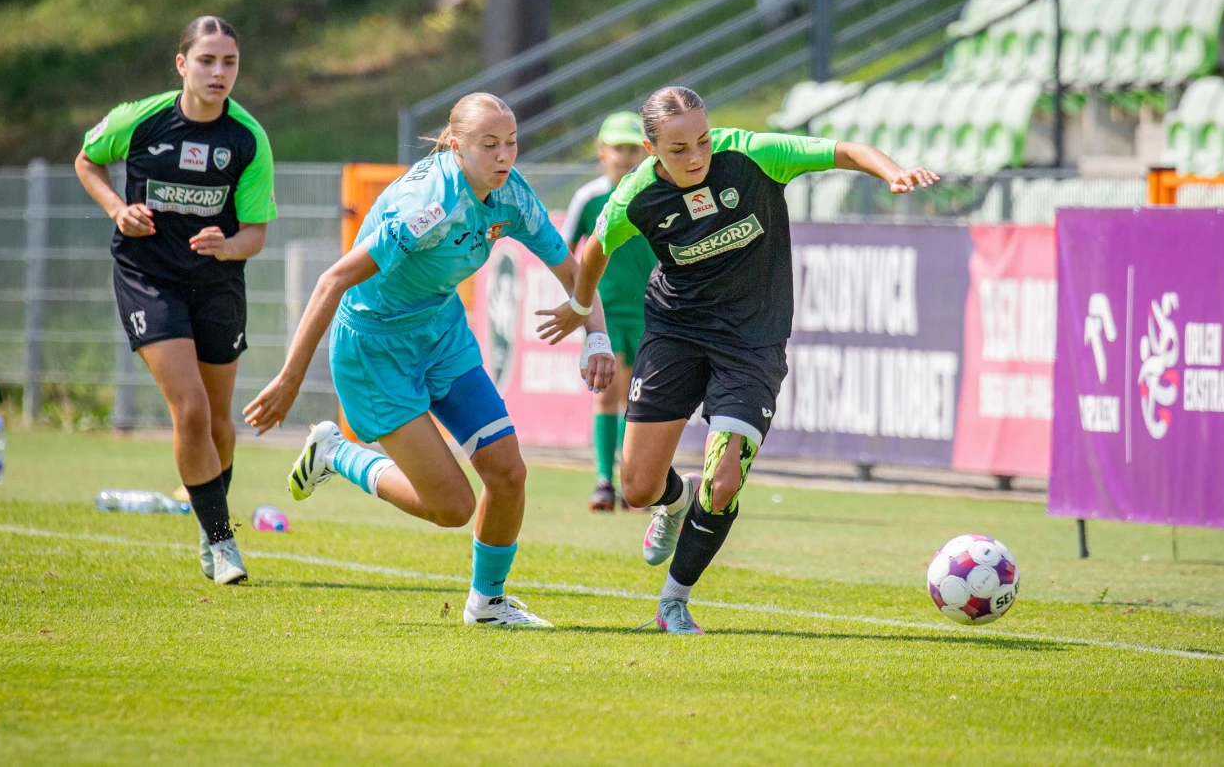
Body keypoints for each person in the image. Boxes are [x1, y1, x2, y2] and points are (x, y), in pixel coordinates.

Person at [536, 86, 938, 634]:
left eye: (702, 140)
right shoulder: (636, 195)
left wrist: (892, 172)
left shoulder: (752, 153)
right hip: (676, 333)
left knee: (723, 483)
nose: (696, 157)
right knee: (637, 489)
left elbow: (842, 150)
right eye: (679, 149)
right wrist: (583, 309)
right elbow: (596, 248)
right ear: (652, 150)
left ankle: (673, 602)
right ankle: (674, 503)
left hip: (752, 342)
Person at [243, 93, 615, 628]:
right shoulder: (428, 206)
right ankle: (336, 453)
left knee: (508, 473)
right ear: (456, 146)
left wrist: (596, 337)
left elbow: (575, 273)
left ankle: (487, 604)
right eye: (489, 144)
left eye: (511, 143)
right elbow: (332, 281)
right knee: (453, 507)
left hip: (441, 333)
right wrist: (290, 379)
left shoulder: (513, 195)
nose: (504, 156)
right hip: (374, 350)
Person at [74, 16, 276, 586]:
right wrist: (119, 210)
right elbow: (87, 159)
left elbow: (256, 234)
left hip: (216, 283)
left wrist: (227, 244)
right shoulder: (139, 119)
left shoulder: (247, 138)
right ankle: (223, 541)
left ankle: (210, 528)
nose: (219, 72)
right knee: (189, 409)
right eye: (207, 60)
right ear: (182, 64)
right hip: (149, 277)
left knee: (219, 424)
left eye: (229, 62)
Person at [560, 112, 658, 511]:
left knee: (639, 399)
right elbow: (563, 252)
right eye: (619, 148)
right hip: (606, 312)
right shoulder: (589, 199)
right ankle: (604, 481)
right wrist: (579, 304)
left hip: (653, 311)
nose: (626, 156)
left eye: (634, 148)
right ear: (602, 153)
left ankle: (635, 484)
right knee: (608, 392)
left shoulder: (657, 193)